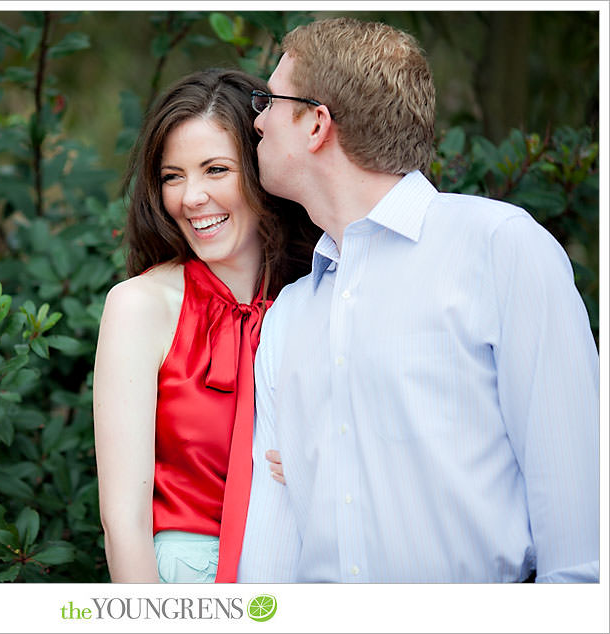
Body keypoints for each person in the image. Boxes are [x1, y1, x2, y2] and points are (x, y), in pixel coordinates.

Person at [237, 17, 599, 582]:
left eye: (269, 101)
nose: (256, 120)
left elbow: (582, 541)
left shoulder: (499, 248)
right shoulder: (289, 316)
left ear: (315, 124)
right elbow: (273, 544)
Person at [93, 69, 319, 583]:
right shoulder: (139, 306)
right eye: (173, 176)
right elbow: (122, 520)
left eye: (215, 169)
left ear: (263, 168)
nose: (191, 197)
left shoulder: (318, 296)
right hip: (188, 579)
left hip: (310, 567)